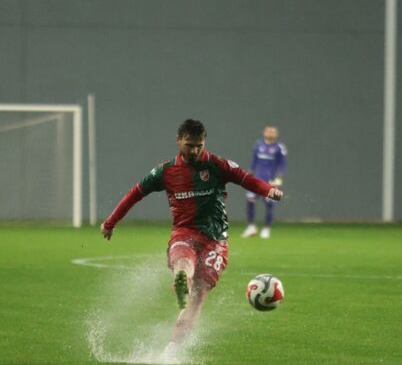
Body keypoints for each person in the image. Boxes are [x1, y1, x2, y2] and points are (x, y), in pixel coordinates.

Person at [101, 119, 283, 352]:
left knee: (198, 296)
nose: (195, 150)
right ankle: (182, 281)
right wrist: (110, 222)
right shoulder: (166, 171)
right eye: (189, 145)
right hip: (184, 232)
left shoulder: (218, 165)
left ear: (204, 142)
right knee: (183, 261)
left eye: (199, 145)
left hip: (216, 241)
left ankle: (172, 347)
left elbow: (247, 179)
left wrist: (269, 190)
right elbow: (135, 193)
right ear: (178, 140)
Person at [242, 125, 287, 239]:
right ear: (264, 132)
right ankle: (251, 227)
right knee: (250, 200)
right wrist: (249, 174)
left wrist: (279, 178)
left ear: (276, 134)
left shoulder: (280, 148)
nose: (270, 133)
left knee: (269, 204)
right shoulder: (258, 145)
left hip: (271, 181)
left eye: (273, 132)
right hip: (257, 180)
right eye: (268, 131)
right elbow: (253, 162)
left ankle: (266, 229)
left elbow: (282, 165)